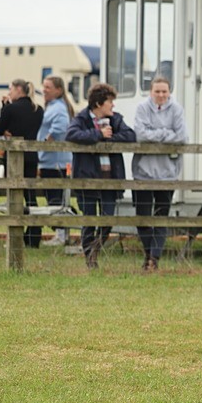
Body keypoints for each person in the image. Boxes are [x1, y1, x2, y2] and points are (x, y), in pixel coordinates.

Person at [67, 83, 135, 269]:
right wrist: (97, 134)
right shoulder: (81, 119)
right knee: (89, 221)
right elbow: (72, 134)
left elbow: (130, 136)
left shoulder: (116, 119)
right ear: (98, 103)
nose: (113, 105)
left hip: (110, 181)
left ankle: (95, 250)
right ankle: (90, 259)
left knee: (107, 220)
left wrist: (109, 138)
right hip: (86, 180)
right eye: (109, 102)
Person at [132, 75, 188, 272]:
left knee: (161, 217)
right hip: (143, 173)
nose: (161, 95)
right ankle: (148, 254)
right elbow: (140, 134)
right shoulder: (142, 108)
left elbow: (182, 136)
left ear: (169, 92)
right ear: (151, 92)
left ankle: (154, 259)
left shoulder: (177, 109)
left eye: (164, 91)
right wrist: (166, 134)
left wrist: (155, 134)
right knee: (143, 218)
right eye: (157, 91)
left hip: (167, 173)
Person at [0, 79, 44, 247]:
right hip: (31, 155)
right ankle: (34, 235)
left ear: (18, 89)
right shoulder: (37, 109)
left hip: (13, 157)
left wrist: (4, 107)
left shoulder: (11, 108)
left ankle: (15, 237)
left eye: (11, 89)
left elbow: (0, 129)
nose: (9, 92)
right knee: (31, 196)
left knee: (14, 197)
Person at [37, 76, 75, 246]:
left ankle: (62, 234)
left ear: (58, 90)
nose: (44, 90)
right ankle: (62, 233)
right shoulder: (53, 106)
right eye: (44, 87)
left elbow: (60, 127)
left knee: (56, 198)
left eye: (48, 87)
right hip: (51, 160)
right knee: (55, 197)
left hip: (56, 161)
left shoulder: (58, 108)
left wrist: (46, 142)